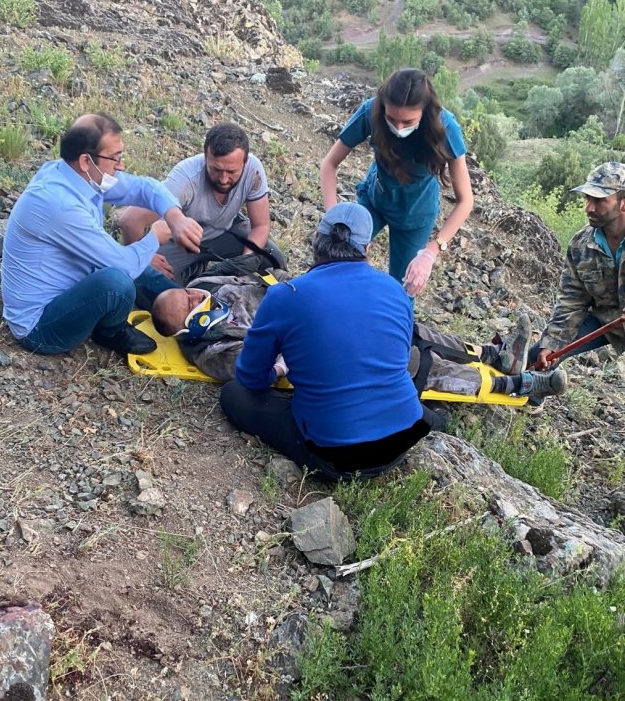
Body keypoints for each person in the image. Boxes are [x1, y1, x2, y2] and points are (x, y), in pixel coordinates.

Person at [154, 205, 565, 481]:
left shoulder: (285, 297)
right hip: (404, 439)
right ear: (367, 248)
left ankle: (504, 378)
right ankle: (508, 382)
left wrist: (285, 363)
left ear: (316, 241)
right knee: (403, 367)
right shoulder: (394, 291)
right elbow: (397, 354)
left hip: (339, 459)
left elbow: (251, 379)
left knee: (235, 398)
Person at [152, 255, 567, 401]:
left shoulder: (213, 287)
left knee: (413, 329)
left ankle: (498, 356)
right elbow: (266, 369)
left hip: (325, 315)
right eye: (189, 304)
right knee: (418, 366)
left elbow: (268, 277)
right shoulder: (216, 352)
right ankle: (521, 386)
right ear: (190, 326)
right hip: (329, 349)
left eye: (188, 293)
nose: (194, 296)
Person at [0, 112, 203, 357]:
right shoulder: (59, 204)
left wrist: (175, 217)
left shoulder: (75, 175)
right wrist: (154, 238)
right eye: (115, 158)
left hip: (74, 283)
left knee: (145, 268)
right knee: (117, 282)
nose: (121, 166)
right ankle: (110, 332)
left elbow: (145, 187)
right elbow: (122, 266)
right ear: (86, 161)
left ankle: (192, 309)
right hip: (42, 325)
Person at [319, 67, 473, 295]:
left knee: (402, 290)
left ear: (424, 111)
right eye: (392, 119)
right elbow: (329, 164)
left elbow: (466, 201)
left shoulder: (446, 127)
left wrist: (431, 252)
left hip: (416, 214)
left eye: (408, 121)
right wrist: (334, 217)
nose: (398, 128)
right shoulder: (370, 112)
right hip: (375, 200)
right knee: (334, 261)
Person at [117, 122, 286, 284]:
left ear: (245, 162)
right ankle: (194, 270)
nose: (223, 179)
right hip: (179, 243)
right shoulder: (185, 180)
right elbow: (130, 220)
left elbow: (260, 226)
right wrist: (145, 258)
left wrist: (245, 261)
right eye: (216, 169)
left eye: (232, 172)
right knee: (152, 286)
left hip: (225, 231)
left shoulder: (253, 169)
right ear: (205, 158)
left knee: (272, 257)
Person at [530, 162, 625, 373]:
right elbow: (571, 300)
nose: (589, 208)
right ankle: (534, 394)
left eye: (599, 201)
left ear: (623, 203)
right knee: (539, 356)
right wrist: (552, 343)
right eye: (587, 198)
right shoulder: (580, 245)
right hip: (604, 319)